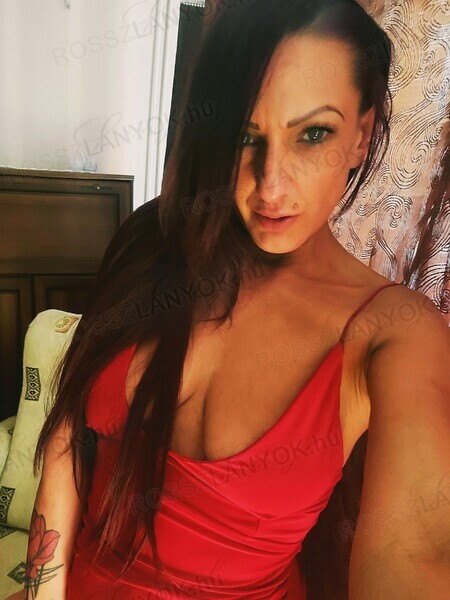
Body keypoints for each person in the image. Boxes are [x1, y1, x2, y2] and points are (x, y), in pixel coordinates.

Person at [14, 1, 449, 599]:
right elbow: (67, 437)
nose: (271, 184)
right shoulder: (151, 241)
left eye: (312, 134)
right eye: (245, 136)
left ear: (362, 135)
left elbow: (416, 550)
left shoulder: (396, 332)